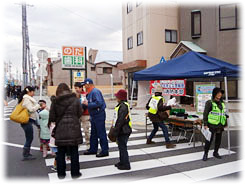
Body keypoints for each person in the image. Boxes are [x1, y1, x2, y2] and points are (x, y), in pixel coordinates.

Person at [48, 83, 83, 179]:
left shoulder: (55, 101)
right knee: (74, 152)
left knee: (60, 152)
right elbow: (80, 113)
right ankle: (75, 173)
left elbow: (52, 117)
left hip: (60, 130)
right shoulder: (75, 99)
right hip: (74, 129)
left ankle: (61, 174)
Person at [82, 78, 109, 157]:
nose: (84, 86)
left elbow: (99, 103)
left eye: (85, 85)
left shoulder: (95, 92)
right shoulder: (90, 92)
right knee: (93, 133)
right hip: (94, 115)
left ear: (88, 84)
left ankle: (104, 150)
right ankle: (93, 149)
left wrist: (88, 104)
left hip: (99, 114)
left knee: (101, 133)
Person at [146, 85, 176, 149]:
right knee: (164, 128)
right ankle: (168, 144)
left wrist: (153, 108)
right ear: (161, 92)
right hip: (156, 116)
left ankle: (149, 140)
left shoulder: (152, 97)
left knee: (156, 128)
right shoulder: (160, 98)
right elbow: (160, 108)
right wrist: (169, 107)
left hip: (151, 114)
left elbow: (147, 106)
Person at [202, 87, 228, 161]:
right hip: (212, 125)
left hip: (220, 124)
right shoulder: (209, 102)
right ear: (214, 94)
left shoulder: (222, 103)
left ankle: (215, 152)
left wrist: (225, 121)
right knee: (209, 140)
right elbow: (205, 114)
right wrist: (205, 124)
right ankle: (205, 153)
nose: (220, 94)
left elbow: (223, 113)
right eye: (218, 93)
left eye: (221, 93)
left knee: (218, 140)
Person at [18, 86, 40, 161]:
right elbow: (30, 110)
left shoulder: (26, 98)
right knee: (29, 138)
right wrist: (38, 106)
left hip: (28, 120)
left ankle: (27, 153)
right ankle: (26, 154)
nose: (33, 93)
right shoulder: (27, 99)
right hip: (26, 121)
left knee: (29, 137)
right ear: (29, 92)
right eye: (33, 91)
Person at [113, 89, 132, 170]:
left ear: (120, 97)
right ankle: (122, 162)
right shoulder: (123, 105)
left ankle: (126, 164)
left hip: (123, 130)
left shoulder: (123, 106)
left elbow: (120, 120)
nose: (116, 98)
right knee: (121, 147)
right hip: (124, 129)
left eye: (117, 96)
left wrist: (115, 131)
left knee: (122, 147)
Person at [74, 82, 91, 150]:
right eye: (75, 88)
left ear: (81, 88)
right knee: (76, 130)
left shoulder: (86, 94)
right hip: (77, 114)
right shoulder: (74, 95)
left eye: (76, 88)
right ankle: (77, 143)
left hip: (85, 114)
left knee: (86, 129)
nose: (76, 89)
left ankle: (88, 143)